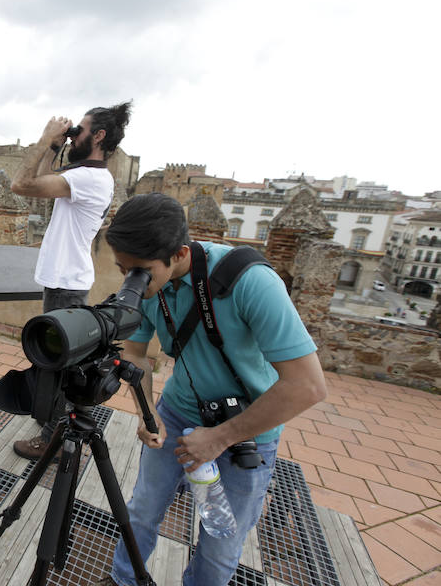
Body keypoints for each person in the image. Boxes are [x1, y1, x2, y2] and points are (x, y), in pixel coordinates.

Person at [96, 193, 327, 586]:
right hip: (176, 412)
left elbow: (307, 385)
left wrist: (220, 438)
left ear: (179, 254)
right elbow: (135, 354)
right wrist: (147, 413)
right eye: (122, 269)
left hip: (247, 430)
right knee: (142, 511)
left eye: (140, 271)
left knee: (220, 544)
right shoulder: (147, 282)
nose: (132, 281)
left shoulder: (250, 282)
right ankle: (123, 579)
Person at [9, 102, 132, 460]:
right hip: (65, 280)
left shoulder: (88, 178)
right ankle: (53, 422)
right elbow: (41, 178)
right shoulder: (88, 175)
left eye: (80, 129)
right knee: (57, 359)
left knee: (60, 364)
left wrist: (46, 139)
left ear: (99, 136)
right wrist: (55, 146)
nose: (74, 136)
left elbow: (21, 184)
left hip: (67, 284)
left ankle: (54, 441)